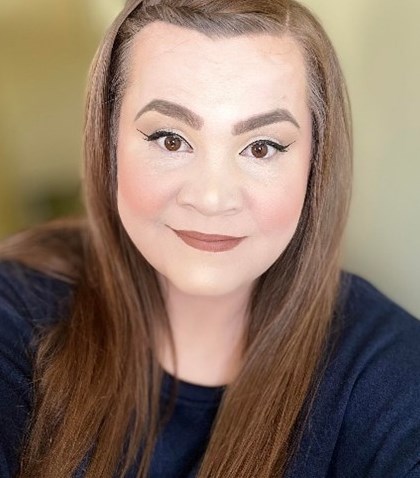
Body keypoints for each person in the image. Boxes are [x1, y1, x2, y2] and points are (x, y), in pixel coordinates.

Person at [0, 0, 419, 477]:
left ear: (314, 166)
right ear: (106, 142)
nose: (213, 198)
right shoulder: (14, 312)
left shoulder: (395, 378)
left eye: (261, 147)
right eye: (171, 140)